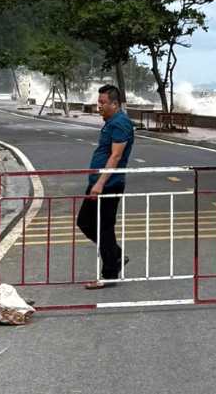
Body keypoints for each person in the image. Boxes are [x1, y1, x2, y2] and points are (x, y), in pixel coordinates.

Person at [76, 84, 135, 288]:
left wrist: (101, 182)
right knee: (85, 222)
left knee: (104, 228)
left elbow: (116, 155)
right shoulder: (111, 121)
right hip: (99, 183)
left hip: (108, 184)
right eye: (98, 102)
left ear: (115, 104)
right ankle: (115, 256)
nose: (99, 106)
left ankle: (110, 273)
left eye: (103, 103)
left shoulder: (120, 123)